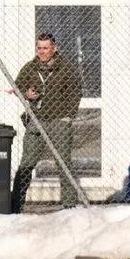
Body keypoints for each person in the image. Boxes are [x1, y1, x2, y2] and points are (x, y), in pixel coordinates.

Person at [10, 32, 83, 213]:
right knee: (27, 162)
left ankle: (69, 205)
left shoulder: (66, 68)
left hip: (59, 121)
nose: (42, 52)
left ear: (54, 48)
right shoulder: (30, 67)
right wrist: (26, 94)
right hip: (36, 119)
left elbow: (76, 93)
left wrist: (68, 116)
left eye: (45, 48)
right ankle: (15, 205)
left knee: (63, 162)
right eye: (39, 48)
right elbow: (18, 85)